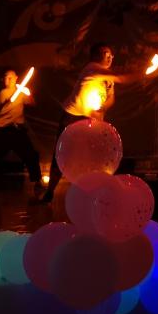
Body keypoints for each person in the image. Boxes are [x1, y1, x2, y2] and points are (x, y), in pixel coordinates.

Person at [40, 43, 134, 203]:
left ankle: (91, 195)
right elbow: (122, 78)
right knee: (63, 153)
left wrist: (103, 108)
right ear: (95, 56)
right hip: (73, 117)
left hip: (93, 120)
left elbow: (111, 98)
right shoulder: (92, 68)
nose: (110, 57)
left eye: (111, 54)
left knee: (93, 155)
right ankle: (50, 192)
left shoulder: (108, 78)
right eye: (106, 53)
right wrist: (143, 73)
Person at [0, 69, 41, 194]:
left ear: (16, 78)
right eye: (6, 77)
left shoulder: (21, 91)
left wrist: (28, 93)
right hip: (3, 131)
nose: (8, 80)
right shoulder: (3, 93)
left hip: (17, 130)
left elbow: (32, 103)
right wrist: (6, 101)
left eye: (10, 77)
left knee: (31, 155)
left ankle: (38, 182)